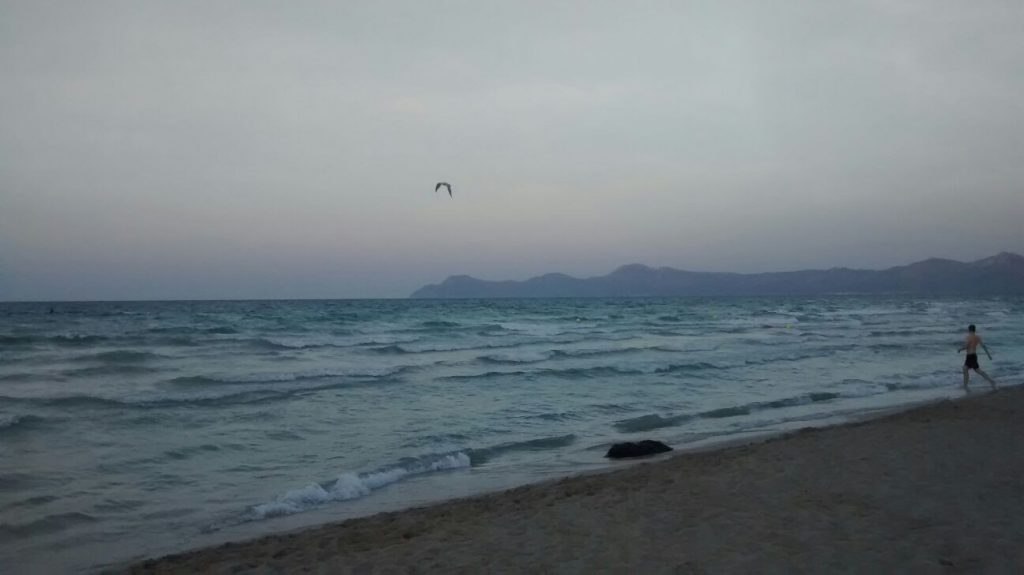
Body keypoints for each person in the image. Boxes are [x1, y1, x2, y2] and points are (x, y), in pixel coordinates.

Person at [957, 324, 997, 390]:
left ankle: (991, 381)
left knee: (976, 370)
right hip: (973, 355)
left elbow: (966, 346)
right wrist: (989, 355)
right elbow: (983, 346)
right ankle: (965, 385)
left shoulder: (968, 337)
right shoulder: (977, 337)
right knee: (966, 369)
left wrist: (959, 349)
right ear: (974, 330)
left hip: (970, 356)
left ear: (969, 330)